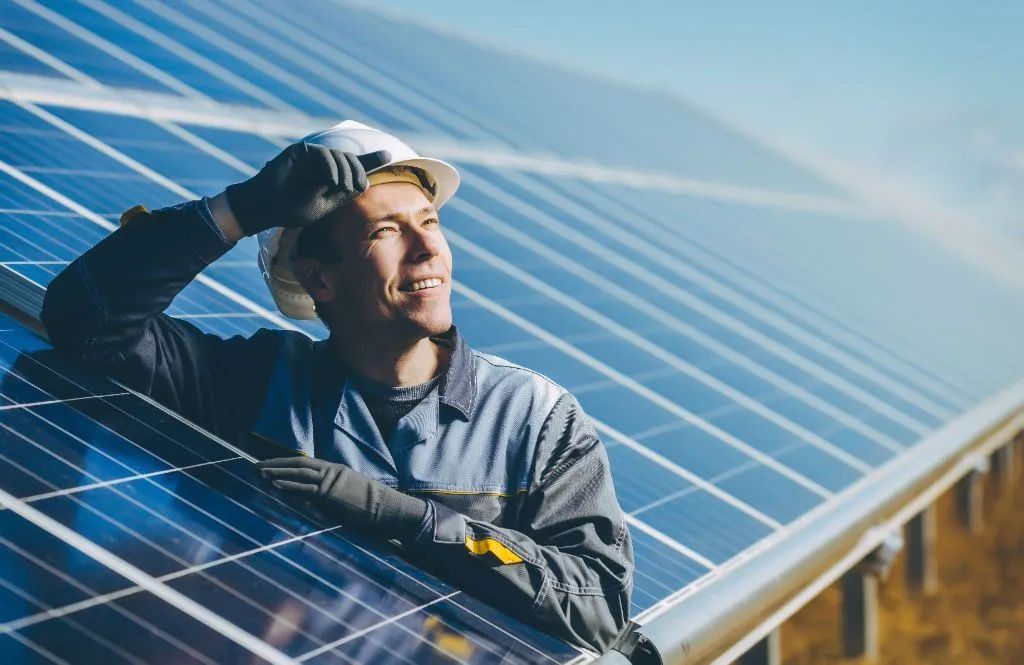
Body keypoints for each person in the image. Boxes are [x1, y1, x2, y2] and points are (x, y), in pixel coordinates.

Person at [40, 121, 633, 652]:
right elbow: (87, 320)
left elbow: (600, 607)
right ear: (319, 279)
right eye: (387, 232)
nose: (428, 248)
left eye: (430, 222)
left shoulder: (534, 417)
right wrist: (240, 208)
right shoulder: (256, 383)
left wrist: (407, 518)